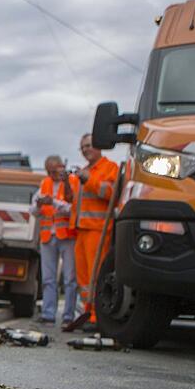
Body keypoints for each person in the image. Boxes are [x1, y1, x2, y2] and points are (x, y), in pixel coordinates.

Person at [71, 133, 119, 330]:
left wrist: (88, 180)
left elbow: (111, 193)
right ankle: (87, 311)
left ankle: (97, 317)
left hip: (98, 230)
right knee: (83, 279)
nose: (85, 149)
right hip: (82, 230)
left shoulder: (109, 168)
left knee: (95, 275)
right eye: (82, 147)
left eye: (89, 145)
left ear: (99, 146)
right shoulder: (84, 170)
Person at [31, 155, 79, 325]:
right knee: (48, 278)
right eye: (49, 171)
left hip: (67, 236)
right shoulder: (45, 184)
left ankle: (68, 316)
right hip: (48, 237)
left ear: (60, 167)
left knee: (70, 279)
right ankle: (48, 314)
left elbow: (74, 208)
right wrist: (39, 205)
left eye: (54, 170)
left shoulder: (72, 181)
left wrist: (54, 202)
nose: (52, 174)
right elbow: (33, 210)